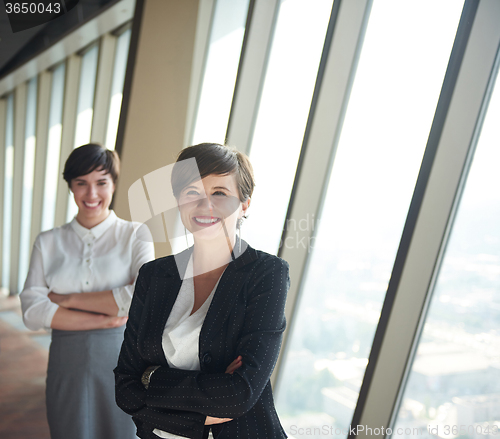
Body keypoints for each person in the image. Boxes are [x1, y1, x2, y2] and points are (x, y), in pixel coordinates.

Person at [114, 143, 291, 439]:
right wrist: (205, 406)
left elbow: (240, 394)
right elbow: (125, 389)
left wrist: (152, 379)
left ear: (244, 204)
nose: (205, 206)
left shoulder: (266, 274)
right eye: (192, 193)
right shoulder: (154, 275)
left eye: (219, 193)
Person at [20, 143, 155, 439]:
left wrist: (65, 300)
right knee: (69, 429)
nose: (91, 194)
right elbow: (31, 311)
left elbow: (144, 299)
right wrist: (104, 319)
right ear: (70, 186)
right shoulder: (48, 242)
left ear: (114, 184)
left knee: (121, 430)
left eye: (101, 183)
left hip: (124, 358)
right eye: (81, 183)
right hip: (66, 359)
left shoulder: (136, 235)